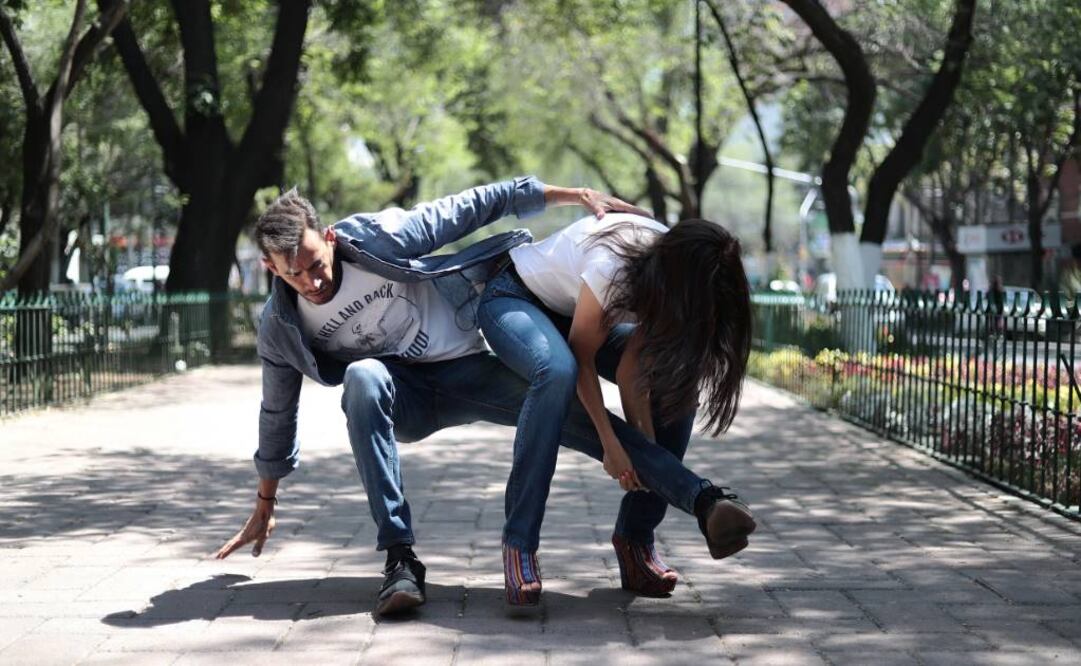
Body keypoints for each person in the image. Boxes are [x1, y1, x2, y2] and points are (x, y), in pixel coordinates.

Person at [214, 178, 752, 617]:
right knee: (362, 379)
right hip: (405, 397)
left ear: (328, 238)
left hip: (470, 369)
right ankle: (400, 561)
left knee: (591, 424)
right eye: (294, 274)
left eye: (315, 263)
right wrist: (265, 501)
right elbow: (277, 411)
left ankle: (702, 502)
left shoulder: (378, 238)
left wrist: (570, 195)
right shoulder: (281, 328)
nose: (311, 281)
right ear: (271, 269)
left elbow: (469, 206)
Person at [477, 213, 755, 604]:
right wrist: (611, 444)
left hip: (577, 312)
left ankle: (635, 541)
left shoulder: (674, 271)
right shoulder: (616, 267)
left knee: (675, 379)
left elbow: (631, 371)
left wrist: (645, 448)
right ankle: (519, 544)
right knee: (556, 371)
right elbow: (581, 360)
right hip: (514, 298)